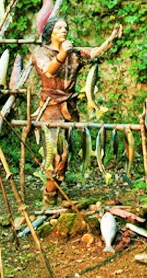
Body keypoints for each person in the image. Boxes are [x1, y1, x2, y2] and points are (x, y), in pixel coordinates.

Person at [32, 16, 122, 204]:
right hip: (50, 108)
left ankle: (53, 192)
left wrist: (111, 39)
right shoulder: (41, 53)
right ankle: (49, 197)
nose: (63, 30)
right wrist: (62, 54)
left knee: (66, 153)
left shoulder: (73, 52)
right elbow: (50, 71)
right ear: (50, 33)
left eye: (65, 27)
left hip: (69, 108)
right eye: (58, 28)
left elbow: (94, 53)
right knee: (57, 153)